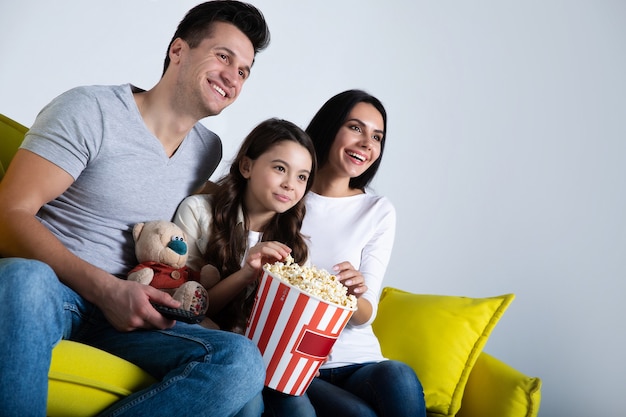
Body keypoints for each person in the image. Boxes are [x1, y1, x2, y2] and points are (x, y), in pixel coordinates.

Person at [0, 2, 271, 416]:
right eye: (223, 56)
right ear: (178, 50)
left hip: (131, 312)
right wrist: (106, 290)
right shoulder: (91, 110)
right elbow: (8, 214)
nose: (233, 77)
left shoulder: (206, 150)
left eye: (244, 71)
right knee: (24, 278)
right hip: (53, 291)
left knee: (242, 360)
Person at [262, 90, 427, 417]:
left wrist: (352, 295)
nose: (367, 143)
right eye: (356, 128)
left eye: (377, 136)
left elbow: (367, 312)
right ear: (329, 128)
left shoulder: (378, 210)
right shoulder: (285, 194)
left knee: (400, 376)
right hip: (298, 362)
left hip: (359, 360)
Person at [173, 118, 316, 334]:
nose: (290, 184)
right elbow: (182, 307)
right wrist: (247, 273)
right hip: (194, 336)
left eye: (302, 177)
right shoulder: (198, 212)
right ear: (246, 166)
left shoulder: (295, 249)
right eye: (280, 168)